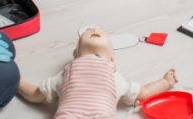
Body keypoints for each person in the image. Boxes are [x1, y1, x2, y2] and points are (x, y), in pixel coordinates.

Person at [16, 27, 177, 116]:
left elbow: (144, 92)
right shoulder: (67, 72)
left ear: (112, 57)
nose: (94, 29)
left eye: (102, 32)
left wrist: (165, 82)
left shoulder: (114, 75)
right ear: (75, 54)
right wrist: (18, 82)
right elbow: (37, 94)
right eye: (87, 32)